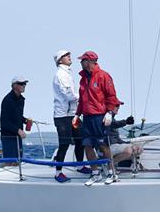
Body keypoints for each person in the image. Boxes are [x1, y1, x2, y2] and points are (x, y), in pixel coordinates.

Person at [73, 51, 121, 185]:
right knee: (87, 145)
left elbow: (112, 96)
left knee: (103, 145)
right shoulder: (83, 79)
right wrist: (77, 114)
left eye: (82, 60)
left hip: (100, 117)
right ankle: (95, 173)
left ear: (89, 61)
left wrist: (110, 113)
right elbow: (82, 100)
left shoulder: (104, 76)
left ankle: (112, 173)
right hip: (87, 117)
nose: (80, 63)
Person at [51, 49, 84, 183]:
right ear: (60, 60)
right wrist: (82, 98)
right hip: (62, 116)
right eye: (65, 56)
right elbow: (68, 95)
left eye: (69, 55)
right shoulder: (61, 74)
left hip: (72, 114)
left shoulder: (67, 73)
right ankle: (58, 172)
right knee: (64, 143)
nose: (69, 57)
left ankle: (80, 166)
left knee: (80, 139)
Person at [0, 77, 32, 164]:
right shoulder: (7, 100)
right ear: (14, 86)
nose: (24, 85)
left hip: (17, 136)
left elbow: (17, 116)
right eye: (21, 84)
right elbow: (4, 121)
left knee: (18, 162)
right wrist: (18, 130)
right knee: (10, 163)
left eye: (24, 84)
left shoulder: (21, 100)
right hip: (8, 136)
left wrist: (25, 120)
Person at [103, 102, 137, 168]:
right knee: (129, 150)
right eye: (116, 105)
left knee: (138, 148)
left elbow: (117, 139)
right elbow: (113, 124)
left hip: (115, 145)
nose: (118, 107)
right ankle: (110, 165)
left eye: (118, 106)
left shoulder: (113, 119)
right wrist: (126, 122)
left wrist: (128, 143)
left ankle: (114, 163)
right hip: (108, 146)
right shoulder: (106, 118)